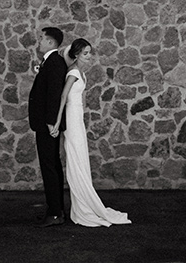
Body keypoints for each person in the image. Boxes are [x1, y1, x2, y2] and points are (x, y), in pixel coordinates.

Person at [51, 38, 131, 227]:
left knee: (80, 158)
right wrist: (56, 121)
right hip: (70, 119)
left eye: (89, 53)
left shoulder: (80, 72)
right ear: (76, 55)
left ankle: (84, 202)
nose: (89, 57)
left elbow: (80, 99)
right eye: (85, 53)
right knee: (75, 158)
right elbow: (63, 96)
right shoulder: (73, 73)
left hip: (77, 119)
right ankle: (82, 207)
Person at [28, 26, 67, 227]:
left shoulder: (54, 63)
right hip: (46, 123)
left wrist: (52, 122)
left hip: (47, 124)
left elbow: (54, 94)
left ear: (51, 42)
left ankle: (54, 213)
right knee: (52, 165)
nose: (39, 42)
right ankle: (56, 209)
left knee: (49, 167)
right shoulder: (51, 62)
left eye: (42, 39)